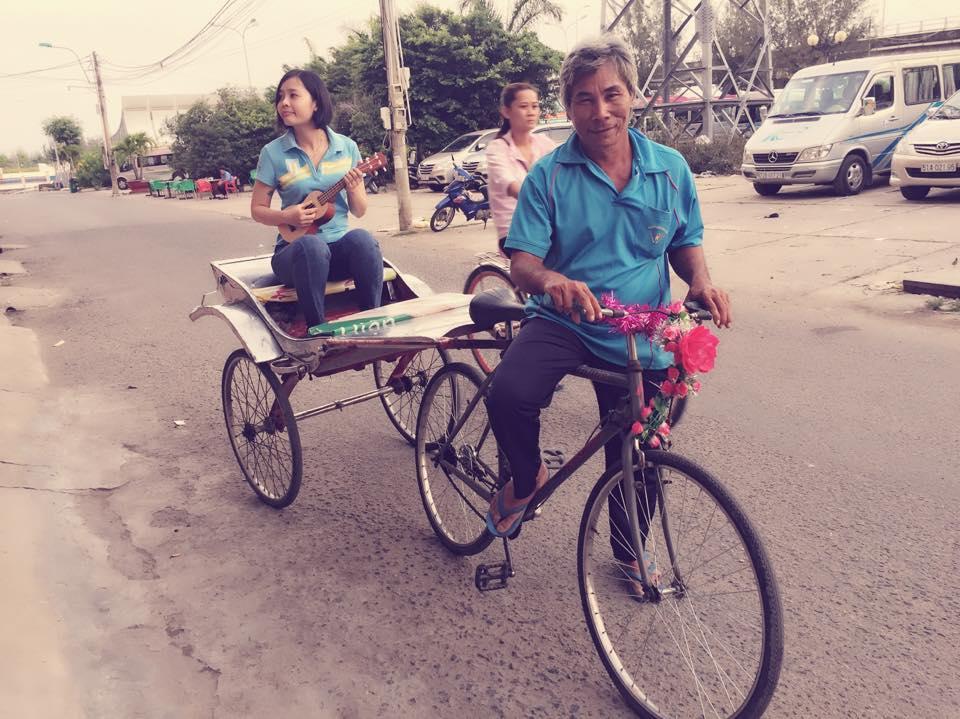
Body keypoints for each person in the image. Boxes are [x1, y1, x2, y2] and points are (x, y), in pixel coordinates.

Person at [484, 37, 732, 584]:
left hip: (640, 333)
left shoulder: (669, 169)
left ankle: (628, 551)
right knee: (507, 393)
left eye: (611, 94)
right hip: (565, 323)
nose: (600, 112)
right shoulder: (549, 176)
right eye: (583, 100)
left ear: (634, 95)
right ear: (567, 108)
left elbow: (685, 240)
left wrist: (702, 282)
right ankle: (525, 479)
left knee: (639, 450)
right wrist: (553, 281)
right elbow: (522, 261)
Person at [250, 69, 383, 335]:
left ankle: (372, 323)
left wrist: (355, 187)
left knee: (363, 240)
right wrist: (288, 217)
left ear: (316, 102)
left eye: (293, 95)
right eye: (281, 97)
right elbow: (257, 210)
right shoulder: (273, 153)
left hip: (336, 252)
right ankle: (318, 333)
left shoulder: (346, 147)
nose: (284, 103)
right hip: (295, 255)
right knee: (311, 246)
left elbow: (359, 211)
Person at [484, 82, 557, 253]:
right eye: (523, 106)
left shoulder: (545, 144)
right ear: (506, 111)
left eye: (535, 106)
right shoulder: (498, 148)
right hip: (514, 232)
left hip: (547, 224)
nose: (531, 112)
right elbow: (511, 186)